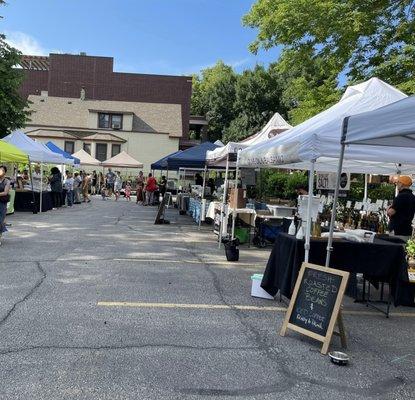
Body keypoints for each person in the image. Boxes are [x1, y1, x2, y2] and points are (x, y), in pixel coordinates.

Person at [387, 175, 415, 240]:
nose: (397, 184)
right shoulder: (413, 197)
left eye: (398, 182)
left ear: (402, 184)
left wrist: (388, 208)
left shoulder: (400, 197)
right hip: (407, 230)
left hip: (397, 230)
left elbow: (391, 213)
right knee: (403, 249)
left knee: (394, 249)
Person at [0, 166, 10, 245]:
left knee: (1, 220)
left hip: (2, 203)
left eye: (2, 170)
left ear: (5, 172)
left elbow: (5, 192)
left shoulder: (7, 181)